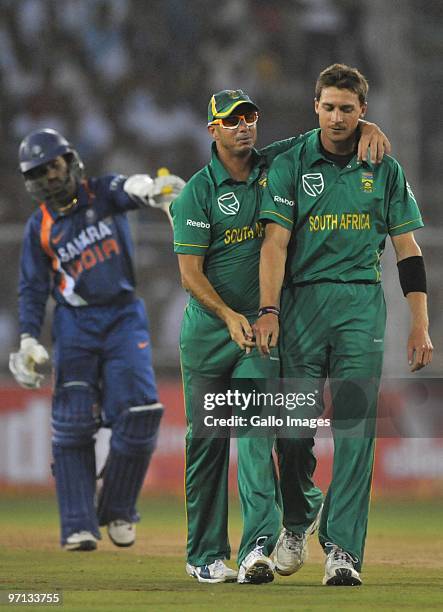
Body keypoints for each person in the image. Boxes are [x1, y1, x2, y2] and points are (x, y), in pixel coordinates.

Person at [170, 89, 390, 584]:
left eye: (248, 116)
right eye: (230, 121)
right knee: (205, 442)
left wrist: (369, 131)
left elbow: (330, 133)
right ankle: (205, 554)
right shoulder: (196, 193)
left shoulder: (278, 162)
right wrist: (227, 314)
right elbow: (190, 274)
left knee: (253, 434)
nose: (242, 126)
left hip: (264, 328)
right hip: (210, 332)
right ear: (213, 131)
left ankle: (255, 550)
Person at [255, 63, 433, 586]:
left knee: (356, 434)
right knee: (290, 433)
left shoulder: (385, 167)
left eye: (348, 110)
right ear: (316, 107)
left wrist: (420, 325)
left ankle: (343, 551)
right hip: (301, 308)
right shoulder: (290, 163)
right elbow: (275, 243)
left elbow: (408, 251)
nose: (337, 117)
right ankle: (298, 516)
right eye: (329, 107)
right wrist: (268, 310)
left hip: (359, 310)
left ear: (363, 113)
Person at [9, 128, 184, 551]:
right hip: (75, 325)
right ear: (31, 182)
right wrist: (30, 339)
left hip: (123, 316)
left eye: (55, 165)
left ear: (70, 161)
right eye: (41, 172)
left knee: (142, 411)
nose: (51, 176)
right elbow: (33, 288)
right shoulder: (41, 227)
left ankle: (118, 507)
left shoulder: (101, 192)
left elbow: (129, 188)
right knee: (72, 426)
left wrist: (151, 188)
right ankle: (77, 524)